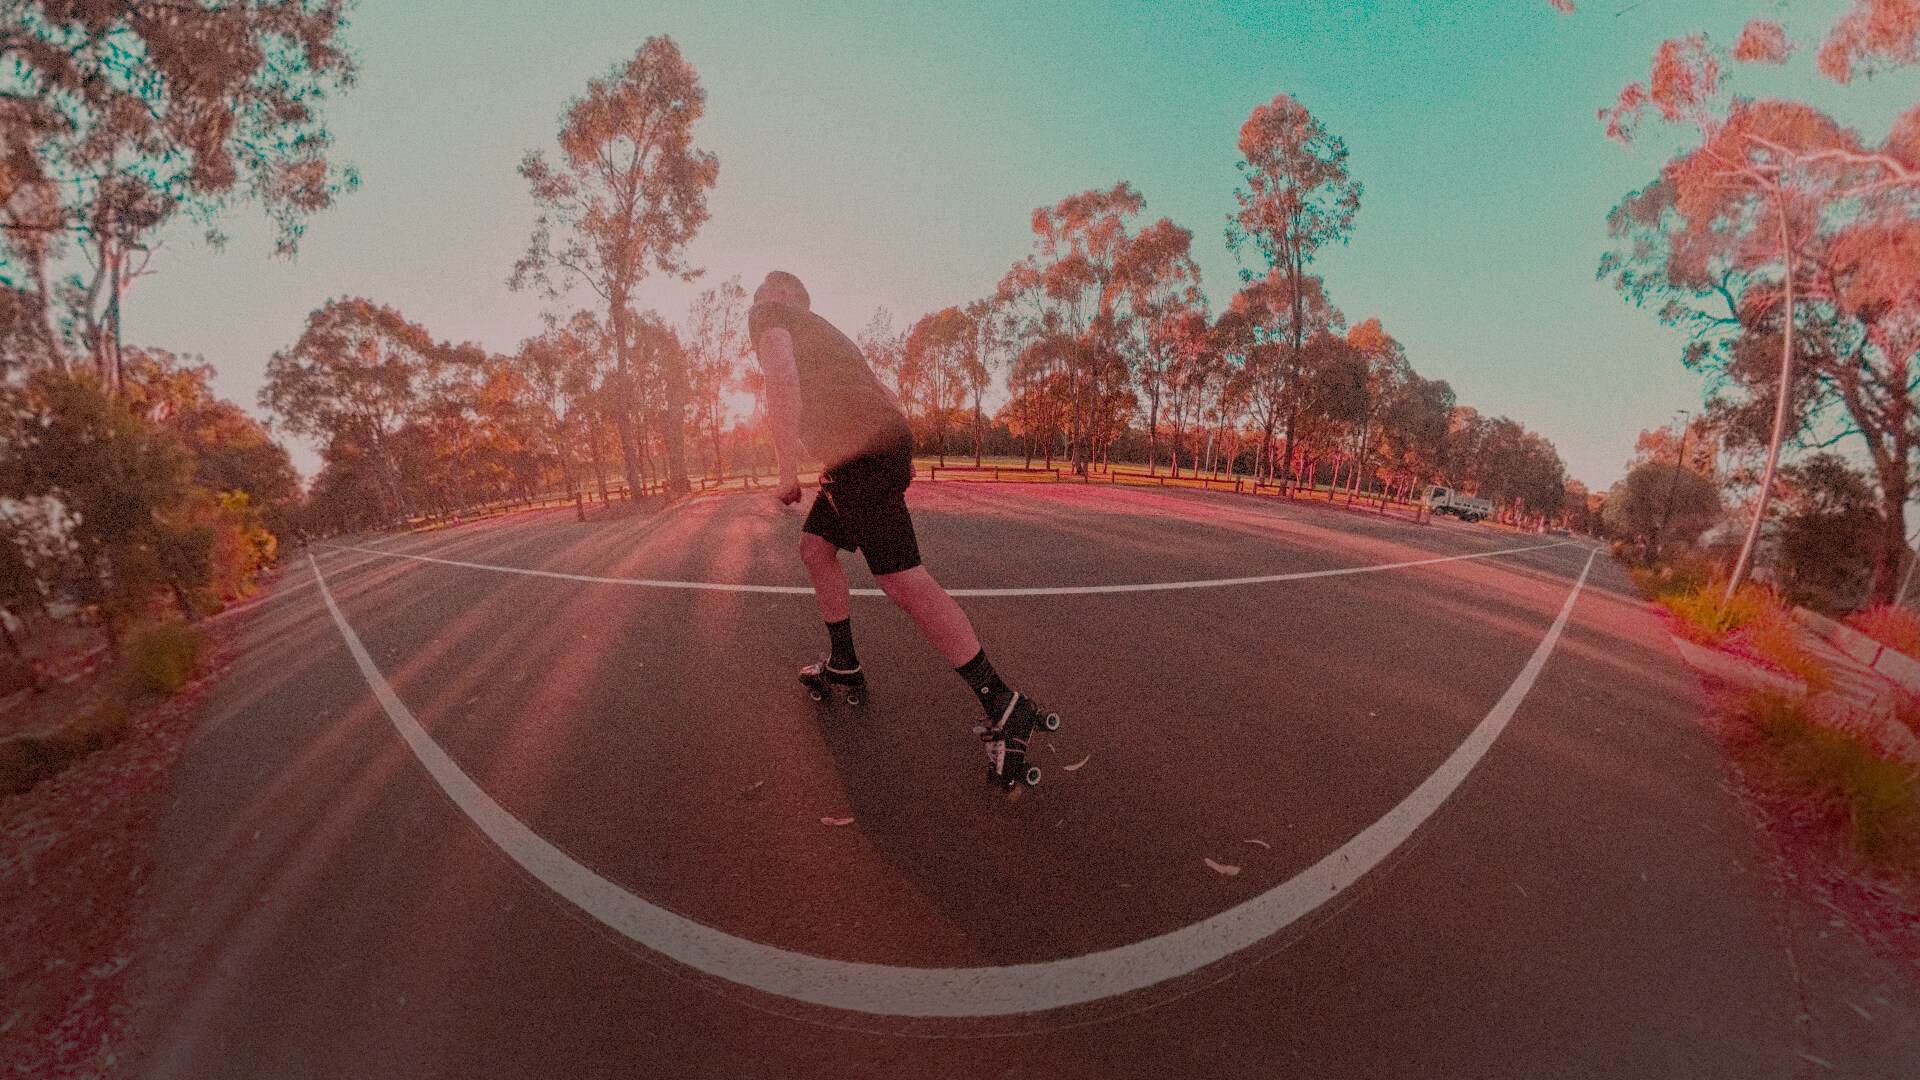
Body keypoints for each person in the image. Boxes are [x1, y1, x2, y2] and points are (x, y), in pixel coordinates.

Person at [749, 270, 1059, 788]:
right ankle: (844, 661)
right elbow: (884, 392)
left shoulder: (772, 315)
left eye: (763, 289)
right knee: (814, 546)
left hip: (859, 456)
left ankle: (1003, 705)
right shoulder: (831, 336)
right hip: (869, 452)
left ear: (781, 295)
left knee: (901, 579)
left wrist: (785, 472)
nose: (756, 297)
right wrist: (901, 453)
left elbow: (780, 379)